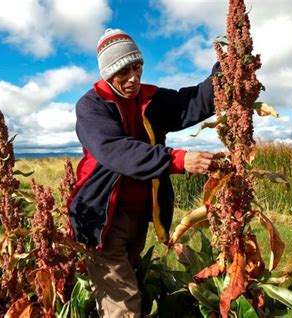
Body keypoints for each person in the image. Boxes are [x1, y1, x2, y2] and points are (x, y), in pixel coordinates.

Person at [68, 28, 220, 317]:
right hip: (101, 218)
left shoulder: (150, 98)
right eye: (123, 71)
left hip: (138, 215)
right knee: (123, 305)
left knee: (126, 287)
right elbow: (116, 150)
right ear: (107, 74)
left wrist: (224, 72)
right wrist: (177, 160)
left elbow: (192, 103)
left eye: (137, 67)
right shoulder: (91, 106)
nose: (133, 78)